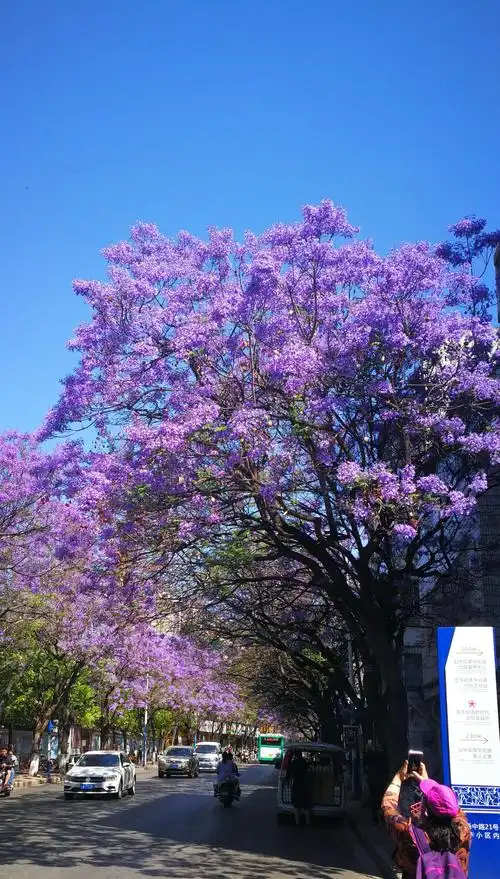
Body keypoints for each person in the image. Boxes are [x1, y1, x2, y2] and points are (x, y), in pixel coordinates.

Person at [381, 760, 471, 879]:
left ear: (425, 808)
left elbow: (388, 807)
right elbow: (452, 809)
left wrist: (398, 778)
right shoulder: (464, 831)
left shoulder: (411, 834)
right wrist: (429, 785)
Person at [287, 751, 312, 827]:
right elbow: (309, 770)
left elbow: (289, 774)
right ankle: (307, 822)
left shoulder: (293, 763)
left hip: (296, 785)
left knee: (297, 805)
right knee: (306, 805)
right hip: (305, 785)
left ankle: (297, 822)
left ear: (295, 756)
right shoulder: (304, 762)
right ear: (301, 755)